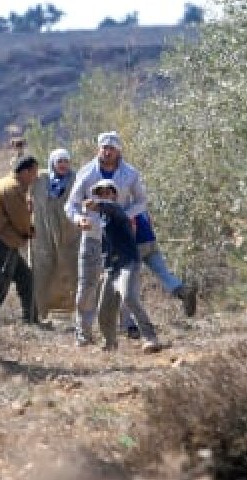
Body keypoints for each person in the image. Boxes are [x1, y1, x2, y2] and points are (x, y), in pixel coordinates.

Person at [65, 131, 195, 344]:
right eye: (103, 148)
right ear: (98, 149)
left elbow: (142, 201)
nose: (107, 152)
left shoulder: (130, 174)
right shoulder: (87, 173)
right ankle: (83, 332)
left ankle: (128, 327)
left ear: (119, 150)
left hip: (120, 237)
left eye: (111, 148)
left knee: (124, 287)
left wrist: (124, 216)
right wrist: (79, 219)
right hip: (92, 235)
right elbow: (71, 204)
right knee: (87, 285)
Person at [83, 179, 162, 352]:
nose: (104, 196)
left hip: (128, 263)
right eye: (100, 193)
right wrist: (106, 267)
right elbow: (106, 248)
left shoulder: (118, 211)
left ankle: (151, 338)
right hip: (113, 267)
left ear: (115, 195)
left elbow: (108, 206)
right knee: (104, 309)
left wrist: (97, 202)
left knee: (129, 296)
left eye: (107, 192)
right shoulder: (103, 220)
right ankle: (110, 343)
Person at [0, 155, 40, 331]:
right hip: (5, 241)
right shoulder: (14, 188)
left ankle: (31, 320)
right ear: (25, 171)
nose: (36, 177)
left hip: (5, 241)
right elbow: (20, 220)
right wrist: (30, 230)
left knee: (26, 278)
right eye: (34, 172)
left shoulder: (1, 183)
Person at [28, 148, 81, 321]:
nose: (63, 165)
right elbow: (20, 175)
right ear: (52, 163)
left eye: (66, 161)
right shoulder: (41, 180)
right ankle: (38, 313)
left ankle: (78, 313)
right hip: (43, 234)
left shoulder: (76, 179)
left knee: (74, 270)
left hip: (69, 234)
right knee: (40, 271)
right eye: (60, 161)